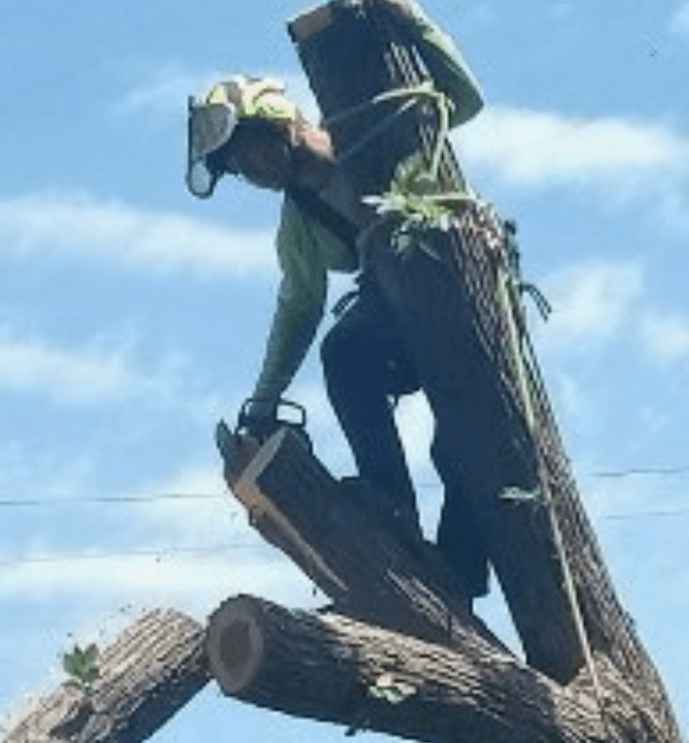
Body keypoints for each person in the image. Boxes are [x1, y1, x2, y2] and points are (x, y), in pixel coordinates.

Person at [185, 0, 489, 598]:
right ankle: (391, 508)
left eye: (253, 153)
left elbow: (465, 99)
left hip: (462, 294)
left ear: (280, 128)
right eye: (241, 169)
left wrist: (411, 21)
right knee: (345, 352)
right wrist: (265, 400)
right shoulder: (299, 223)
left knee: (464, 446)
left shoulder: (371, 123)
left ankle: (458, 574)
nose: (255, 172)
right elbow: (299, 305)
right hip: (397, 315)